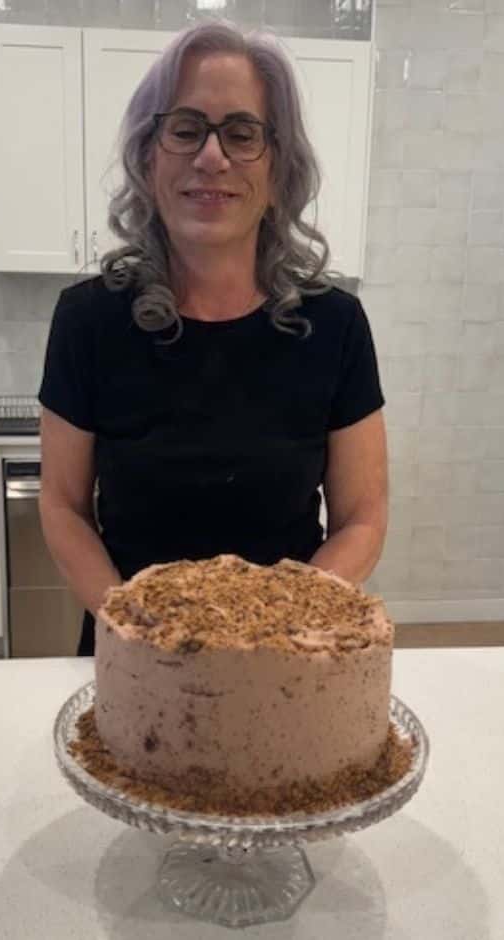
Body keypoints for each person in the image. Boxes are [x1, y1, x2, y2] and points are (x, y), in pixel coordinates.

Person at [38, 20, 388, 657]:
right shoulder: (87, 321)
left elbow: (362, 517)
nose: (212, 157)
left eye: (242, 132)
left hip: (289, 656)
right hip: (131, 650)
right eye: (186, 128)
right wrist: (134, 625)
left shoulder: (335, 326)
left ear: (278, 168)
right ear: (150, 156)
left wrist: (280, 625)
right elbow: (62, 504)